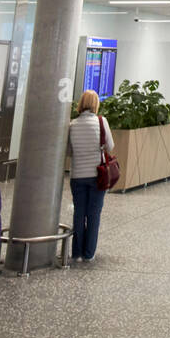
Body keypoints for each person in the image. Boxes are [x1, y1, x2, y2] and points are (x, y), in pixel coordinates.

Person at [67, 90, 114, 263]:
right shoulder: (101, 122)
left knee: (79, 213)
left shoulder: (72, 124)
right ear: (95, 104)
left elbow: (68, 151)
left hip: (77, 175)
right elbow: (110, 146)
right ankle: (89, 253)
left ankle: (76, 252)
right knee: (94, 214)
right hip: (97, 175)